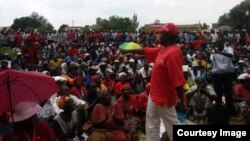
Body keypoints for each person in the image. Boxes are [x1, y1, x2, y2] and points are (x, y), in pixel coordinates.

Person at [120, 23, 186, 141]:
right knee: (151, 122)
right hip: (154, 94)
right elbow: (147, 51)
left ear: (168, 35)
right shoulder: (163, 48)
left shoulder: (173, 53)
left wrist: (181, 100)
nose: (159, 36)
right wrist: (132, 51)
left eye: (161, 33)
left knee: (171, 125)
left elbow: (178, 79)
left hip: (165, 96)